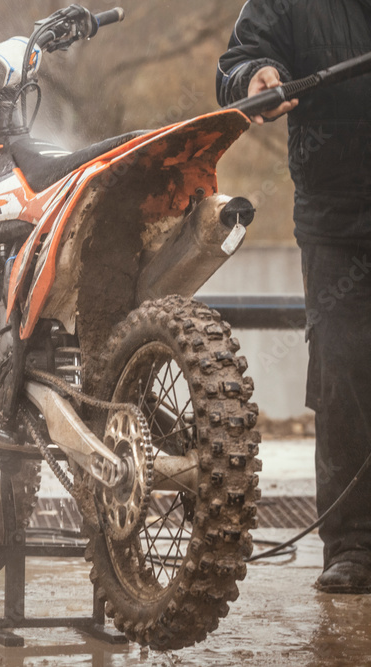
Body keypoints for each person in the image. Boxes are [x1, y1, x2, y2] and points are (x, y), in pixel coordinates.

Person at [217, 2, 371, 594]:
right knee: (345, 376)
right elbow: (238, 64)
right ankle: (355, 544)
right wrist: (253, 78)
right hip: (338, 223)